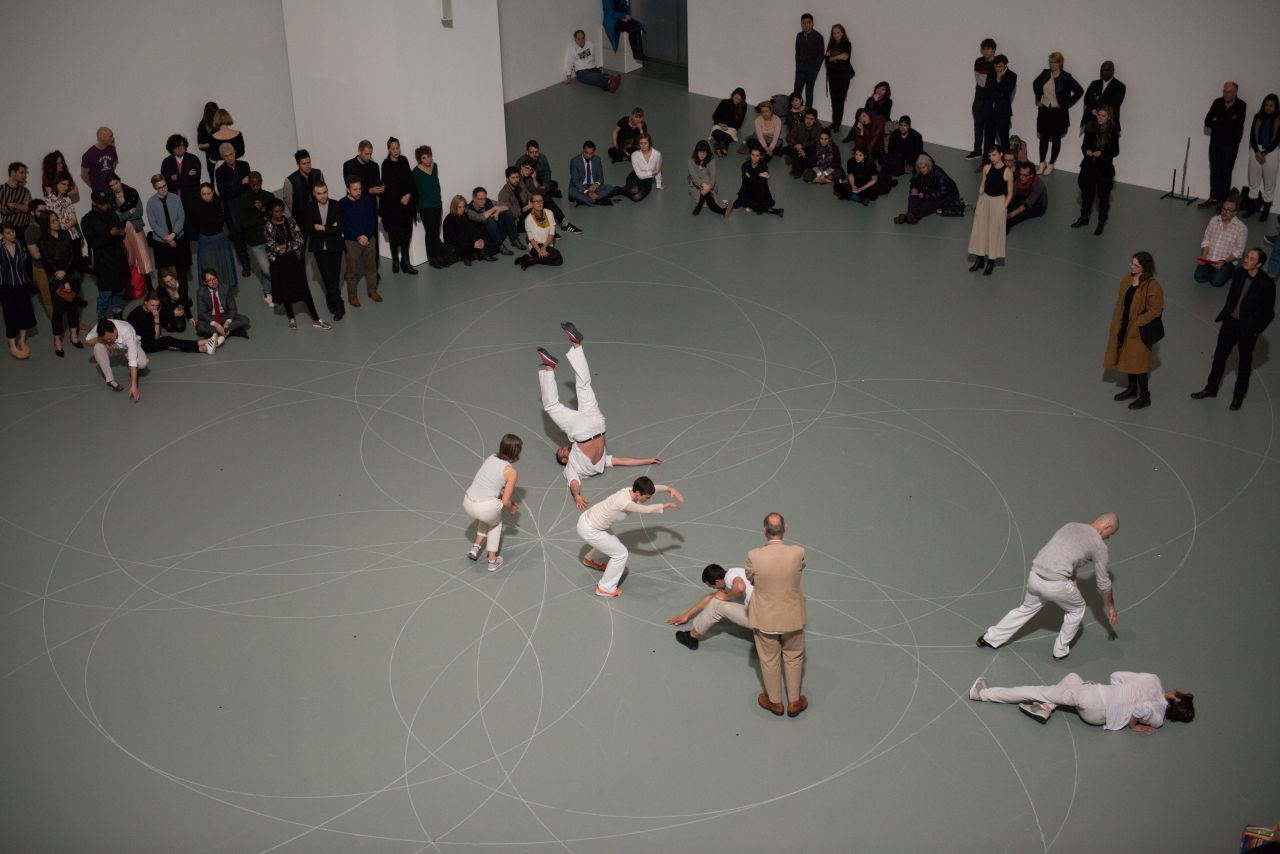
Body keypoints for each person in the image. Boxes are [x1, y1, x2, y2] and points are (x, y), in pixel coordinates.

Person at [976, 514, 1119, 661]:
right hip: (1055, 584)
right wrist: (1111, 607)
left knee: (1026, 609)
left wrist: (1072, 576)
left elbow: (1062, 553)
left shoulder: (1070, 525)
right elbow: (1103, 583)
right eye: (1111, 534)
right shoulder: (1099, 546)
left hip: (1035, 575)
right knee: (1077, 609)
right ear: (1106, 527)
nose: (1109, 537)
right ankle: (1060, 651)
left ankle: (989, 638)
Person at [1190, 247, 1276, 411]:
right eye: (1247, 257)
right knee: (1219, 357)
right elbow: (1233, 296)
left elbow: (1269, 313)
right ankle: (1211, 389)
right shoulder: (1239, 273)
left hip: (1247, 329)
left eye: (1251, 259)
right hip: (1230, 322)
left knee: (1244, 364)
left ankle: (1238, 396)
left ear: (1259, 264)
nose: (1246, 260)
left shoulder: (1266, 284)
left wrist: (1255, 330)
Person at [970, 671, 1195, 732]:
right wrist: (1134, 726)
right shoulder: (1158, 721)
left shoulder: (1154, 681)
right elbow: (1143, 711)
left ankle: (982, 694)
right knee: (1073, 679)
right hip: (1097, 719)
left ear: (1176, 697)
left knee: (1036, 690)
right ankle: (1045, 709)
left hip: (1095, 697)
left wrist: (1133, 721)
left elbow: (1116, 676)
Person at [746, 512, 807, 718]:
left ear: (765, 531)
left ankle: (775, 703)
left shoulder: (754, 555)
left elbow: (750, 576)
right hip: (792, 617)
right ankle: (794, 702)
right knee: (794, 657)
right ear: (785, 528)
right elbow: (801, 568)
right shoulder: (798, 552)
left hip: (765, 618)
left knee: (769, 659)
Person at [579, 476, 682, 597]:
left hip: (592, 521)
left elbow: (652, 489)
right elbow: (647, 510)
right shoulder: (624, 502)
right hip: (590, 529)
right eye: (647, 497)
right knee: (621, 554)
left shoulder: (631, 490)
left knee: (612, 543)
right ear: (638, 493)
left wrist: (668, 489)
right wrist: (666, 505)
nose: (648, 499)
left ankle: (591, 560)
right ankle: (604, 588)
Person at [1104, 252, 1164, 409]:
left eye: (1136, 265)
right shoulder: (1128, 279)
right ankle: (1132, 389)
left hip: (1138, 331)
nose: (1131, 266)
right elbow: (1121, 299)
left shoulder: (1152, 286)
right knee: (1127, 358)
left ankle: (1145, 396)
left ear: (1145, 267)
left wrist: (1138, 322)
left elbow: (1155, 310)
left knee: (1139, 365)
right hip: (1124, 325)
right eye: (1131, 262)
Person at [263, 199, 329, 330]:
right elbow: (272, 246)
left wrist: (285, 246)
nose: (280, 213)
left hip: (294, 261)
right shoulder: (268, 226)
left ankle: (316, 318)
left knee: (304, 289)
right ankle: (291, 318)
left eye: (281, 210)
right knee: (285, 290)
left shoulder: (291, 221)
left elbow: (300, 240)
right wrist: (285, 247)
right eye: (276, 211)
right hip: (279, 265)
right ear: (271, 212)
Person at [463, 434, 523, 571]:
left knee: (488, 516)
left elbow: (490, 485)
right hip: (485, 507)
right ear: (517, 452)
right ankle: (492, 560)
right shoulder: (511, 472)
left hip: (468, 501)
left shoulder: (491, 457)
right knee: (495, 523)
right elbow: (505, 500)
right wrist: (512, 507)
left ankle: (476, 547)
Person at [668, 563, 753, 650]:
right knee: (731, 596)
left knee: (716, 605)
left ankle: (691, 637)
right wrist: (686, 615)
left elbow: (739, 587)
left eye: (712, 586)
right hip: (765, 608)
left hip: (762, 622)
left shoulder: (729, 576)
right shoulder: (739, 572)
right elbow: (711, 597)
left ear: (717, 582)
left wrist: (726, 597)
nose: (714, 589)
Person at [38, 211, 83, 356]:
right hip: (56, 279)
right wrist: (62, 278)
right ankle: (57, 341)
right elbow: (48, 262)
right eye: (53, 221)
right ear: (46, 224)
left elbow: (72, 255)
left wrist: (66, 273)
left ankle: (74, 336)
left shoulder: (65, 234)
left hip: (71, 274)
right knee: (58, 311)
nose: (57, 222)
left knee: (73, 307)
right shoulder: (43, 240)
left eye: (57, 219)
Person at [1032, 52, 1083, 174]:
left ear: (1060, 63)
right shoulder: (1045, 73)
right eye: (1050, 62)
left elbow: (1079, 91)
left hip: (1058, 113)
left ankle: (1051, 164)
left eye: (1055, 62)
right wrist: (1038, 99)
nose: (1052, 64)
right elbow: (1035, 84)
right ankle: (1041, 163)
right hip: (1044, 111)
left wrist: (1066, 104)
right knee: (1043, 137)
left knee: (1056, 138)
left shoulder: (1066, 77)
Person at [1073, 104, 1119, 235]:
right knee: (1086, 193)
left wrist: (1102, 154)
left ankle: (1101, 222)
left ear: (1109, 117)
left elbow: (1115, 151)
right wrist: (1086, 150)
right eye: (1099, 115)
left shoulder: (1112, 132)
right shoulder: (1090, 127)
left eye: (1103, 116)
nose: (1100, 118)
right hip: (1089, 165)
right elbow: (1084, 145)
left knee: (1103, 197)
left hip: (1104, 167)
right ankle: (1084, 216)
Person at [81, 191, 128, 319]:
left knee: (119, 289)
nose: (105, 205)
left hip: (118, 257)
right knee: (105, 293)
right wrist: (110, 235)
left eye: (106, 202)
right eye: (102, 203)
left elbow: (119, 230)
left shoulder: (112, 213)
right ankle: (101, 317)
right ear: (94, 203)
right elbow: (92, 242)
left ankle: (117, 312)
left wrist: (122, 233)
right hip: (104, 261)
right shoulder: (86, 220)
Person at [126, 289, 216, 356]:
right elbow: (156, 337)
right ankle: (204, 343)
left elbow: (164, 314)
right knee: (168, 341)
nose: (155, 308)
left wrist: (173, 313)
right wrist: (156, 319)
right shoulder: (140, 316)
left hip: (145, 337)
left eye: (157, 306)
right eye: (152, 305)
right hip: (139, 345)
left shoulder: (149, 310)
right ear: (145, 303)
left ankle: (204, 347)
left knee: (170, 342)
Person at [1201, 82, 1248, 209]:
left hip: (1230, 146)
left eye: (1229, 92)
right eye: (1224, 91)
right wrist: (1227, 121)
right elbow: (1208, 122)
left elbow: (1237, 126)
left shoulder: (1241, 105)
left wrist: (1218, 120)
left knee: (1226, 172)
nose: (1226, 94)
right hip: (1215, 143)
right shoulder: (1217, 102)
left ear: (1235, 93)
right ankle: (1214, 197)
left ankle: (1223, 201)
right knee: (1215, 170)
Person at [967, 146, 1013, 275]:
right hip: (985, 200)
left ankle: (991, 262)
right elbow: (983, 184)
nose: (992, 158)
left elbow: (1010, 193)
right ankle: (979, 259)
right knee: (980, 230)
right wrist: (980, 197)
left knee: (994, 233)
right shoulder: (986, 168)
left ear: (1001, 154)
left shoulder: (1007, 172)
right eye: (990, 155)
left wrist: (1003, 207)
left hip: (998, 202)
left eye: (994, 155)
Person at [145, 174, 192, 301]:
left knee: (181, 272)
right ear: (155, 188)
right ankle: (168, 299)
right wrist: (167, 238)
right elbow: (153, 224)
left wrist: (173, 235)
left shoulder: (175, 198)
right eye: (160, 187)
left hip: (178, 238)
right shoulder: (151, 203)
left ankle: (184, 297)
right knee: (165, 273)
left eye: (164, 186)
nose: (164, 189)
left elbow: (181, 217)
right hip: (161, 243)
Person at [305, 182, 346, 320]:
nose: (323, 196)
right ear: (314, 194)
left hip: (335, 246)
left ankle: (330, 299)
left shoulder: (336, 205)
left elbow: (340, 228)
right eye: (319, 193)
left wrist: (322, 228)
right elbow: (310, 231)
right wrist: (330, 228)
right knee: (327, 276)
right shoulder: (309, 208)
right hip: (319, 248)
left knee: (334, 275)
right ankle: (339, 305)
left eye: (325, 192)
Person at [189, 183, 239, 296]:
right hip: (205, 241)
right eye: (203, 194)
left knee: (223, 266)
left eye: (209, 193)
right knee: (209, 268)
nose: (206, 196)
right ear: (200, 194)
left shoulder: (220, 203)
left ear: (213, 192)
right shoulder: (196, 207)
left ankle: (225, 291)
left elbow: (225, 219)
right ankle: (212, 294)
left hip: (221, 240)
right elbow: (193, 225)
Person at [235, 172, 275, 306]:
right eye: (253, 184)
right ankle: (276, 289)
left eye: (258, 183)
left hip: (271, 238)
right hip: (255, 241)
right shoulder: (242, 200)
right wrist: (262, 218)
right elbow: (242, 223)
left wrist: (263, 209)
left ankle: (268, 291)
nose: (256, 186)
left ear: (262, 181)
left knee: (272, 266)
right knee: (266, 268)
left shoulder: (269, 196)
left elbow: (275, 217)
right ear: (249, 183)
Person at [339, 176, 379, 306]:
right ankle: (352, 295)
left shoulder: (366, 200)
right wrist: (358, 237)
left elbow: (372, 219)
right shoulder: (342, 204)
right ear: (348, 190)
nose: (358, 192)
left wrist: (366, 236)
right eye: (355, 189)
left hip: (369, 239)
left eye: (360, 189)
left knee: (371, 267)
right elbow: (344, 225)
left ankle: (372, 290)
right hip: (352, 242)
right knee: (351, 271)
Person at [213, 142, 252, 276]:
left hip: (246, 204)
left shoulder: (244, 165)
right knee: (238, 238)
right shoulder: (220, 171)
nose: (229, 157)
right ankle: (246, 265)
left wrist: (233, 187)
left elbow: (250, 186)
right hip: (231, 208)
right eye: (226, 156)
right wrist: (240, 182)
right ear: (222, 157)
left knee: (252, 232)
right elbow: (224, 193)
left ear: (235, 153)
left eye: (231, 154)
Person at [106, 173, 152, 284]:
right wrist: (129, 212)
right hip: (123, 231)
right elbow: (114, 219)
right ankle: (134, 288)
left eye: (116, 183)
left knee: (142, 255)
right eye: (112, 185)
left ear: (120, 180)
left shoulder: (132, 192)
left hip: (136, 228)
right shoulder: (110, 199)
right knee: (128, 257)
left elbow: (139, 212)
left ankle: (150, 287)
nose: (115, 186)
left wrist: (121, 214)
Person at [84, 316, 146, 399]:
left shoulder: (127, 333)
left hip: (127, 348)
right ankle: (111, 381)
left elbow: (133, 361)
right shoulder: (100, 327)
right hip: (113, 349)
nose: (108, 340)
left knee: (141, 363)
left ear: (115, 329)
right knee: (97, 348)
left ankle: (131, 369)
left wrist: (134, 386)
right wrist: (103, 341)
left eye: (109, 338)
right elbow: (87, 342)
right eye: (106, 339)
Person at [381, 137, 417, 274]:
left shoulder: (404, 160)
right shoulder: (385, 164)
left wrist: (408, 195)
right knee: (394, 236)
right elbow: (388, 186)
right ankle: (395, 261)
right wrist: (399, 198)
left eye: (397, 148)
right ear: (389, 149)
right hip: (393, 208)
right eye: (393, 148)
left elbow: (410, 180)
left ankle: (405, 262)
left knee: (406, 235)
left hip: (406, 206)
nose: (396, 151)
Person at [0, 222, 36, 359]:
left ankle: (21, 340)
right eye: (8, 232)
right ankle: (12, 346)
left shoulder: (20, 244)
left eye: (13, 231)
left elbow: (25, 261)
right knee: (10, 314)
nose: (12, 234)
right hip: (6, 286)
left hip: (21, 283)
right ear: (2, 234)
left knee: (24, 311)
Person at [1194, 197, 1247, 287]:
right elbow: (1206, 240)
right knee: (1198, 277)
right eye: (1223, 208)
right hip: (1210, 258)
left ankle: (1229, 272)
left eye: (1229, 210)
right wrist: (1203, 256)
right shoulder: (1214, 220)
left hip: (1226, 261)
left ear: (1235, 213)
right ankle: (1217, 272)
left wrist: (1224, 262)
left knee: (1216, 282)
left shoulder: (1242, 228)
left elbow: (1239, 251)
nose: (1224, 212)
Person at [894, 154, 960, 224]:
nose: (922, 170)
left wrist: (926, 195)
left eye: (923, 167)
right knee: (912, 197)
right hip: (924, 192)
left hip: (942, 197)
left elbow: (943, 192)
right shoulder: (918, 171)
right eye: (920, 168)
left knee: (925, 206)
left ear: (929, 165)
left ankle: (907, 216)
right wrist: (914, 188)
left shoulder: (939, 173)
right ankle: (911, 217)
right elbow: (913, 182)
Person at [1243, 94, 1279, 221]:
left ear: (1276, 106)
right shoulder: (1257, 117)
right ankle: (1252, 208)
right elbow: (1253, 135)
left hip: (1272, 152)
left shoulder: (1278, 119)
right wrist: (1257, 152)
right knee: (1253, 181)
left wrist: (1265, 153)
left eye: (1271, 105)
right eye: (1266, 105)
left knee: (1269, 183)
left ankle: (1266, 211)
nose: (1268, 108)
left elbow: (1276, 140)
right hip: (1255, 150)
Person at [161, 134, 202, 234]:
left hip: (191, 199)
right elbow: (168, 184)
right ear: (171, 149)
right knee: (178, 227)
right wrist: (186, 177)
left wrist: (177, 180)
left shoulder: (193, 159)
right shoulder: (167, 162)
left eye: (182, 145)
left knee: (192, 226)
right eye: (177, 146)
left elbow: (195, 180)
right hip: (174, 199)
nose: (180, 148)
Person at [411, 145, 445, 268]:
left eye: (429, 156)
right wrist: (416, 210)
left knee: (436, 232)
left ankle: (438, 256)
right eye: (424, 158)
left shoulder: (435, 167)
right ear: (420, 159)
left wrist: (440, 203)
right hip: (425, 207)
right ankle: (432, 258)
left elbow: (436, 186)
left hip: (437, 204)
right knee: (430, 233)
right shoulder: (416, 172)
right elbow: (414, 192)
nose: (428, 160)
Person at [195, 268, 249, 343]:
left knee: (245, 320)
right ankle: (228, 332)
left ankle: (217, 333)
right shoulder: (201, 292)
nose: (213, 282)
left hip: (224, 315)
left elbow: (232, 308)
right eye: (209, 280)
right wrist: (216, 325)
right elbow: (201, 313)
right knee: (199, 326)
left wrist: (228, 322)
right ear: (205, 282)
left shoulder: (225, 288)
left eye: (214, 278)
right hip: (211, 317)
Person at [966, 38, 998, 159]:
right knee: (978, 125)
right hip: (979, 98)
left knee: (990, 127)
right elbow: (979, 80)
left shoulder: (997, 63)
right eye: (983, 49)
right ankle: (977, 150)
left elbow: (997, 82)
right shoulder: (978, 61)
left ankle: (989, 153)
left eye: (988, 49)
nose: (985, 51)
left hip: (991, 99)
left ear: (994, 49)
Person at [466, 187, 520, 257]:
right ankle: (500, 246)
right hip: (482, 237)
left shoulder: (488, 201)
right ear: (474, 199)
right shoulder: (469, 210)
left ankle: (514, 239)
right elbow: (481, 218)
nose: (483, 201)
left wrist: (499, 210)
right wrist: (494, 208)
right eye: (480, 199)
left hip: (494, 231)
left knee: (507, 212)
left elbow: (507, 205)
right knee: (489, 219)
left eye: (484, 198)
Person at [736, 144, 784, 217]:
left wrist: (751, 177)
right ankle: (772, 210)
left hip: (760, 190)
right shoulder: (745, 165)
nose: (754, 158)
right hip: (747, 189)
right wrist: (759, 175)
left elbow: (763, 180)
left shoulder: (763, 165)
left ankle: (759, 207)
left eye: (757, 155)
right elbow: (746, 181)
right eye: (753, 155)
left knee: (761, 185)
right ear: (750, 155)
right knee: (741, 201)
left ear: (760, 156)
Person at [24, 199, 53, 320]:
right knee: (48, 299)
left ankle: (74, 323)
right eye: (40, 211)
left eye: (45, 210)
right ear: (32, 213)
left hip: (55, 266)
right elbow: (36, 255)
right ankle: (58, 326)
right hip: (41, 269)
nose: (43, 213)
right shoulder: (29, 231)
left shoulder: (50, 225)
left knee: (66, 295)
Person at [518, 193, 562, 271]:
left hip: (547, 244)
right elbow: (531, 239)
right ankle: (530, 259)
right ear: (532, 204)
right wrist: (539, 250)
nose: (539, 203)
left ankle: (529, 260)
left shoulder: (549, 213)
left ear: (543, 202)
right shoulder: (528, 219)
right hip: (536, 246)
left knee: (558, 260)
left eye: (540, 201)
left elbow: (552, 233)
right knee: (557, 258)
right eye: (536, 201)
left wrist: (544, 247)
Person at [688, 140, 732, 217]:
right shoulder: (690, 161)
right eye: (700, 152)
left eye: (704, 152)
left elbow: (713, 175)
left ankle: (699, 206)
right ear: (696, 152)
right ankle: (722, 211)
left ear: (707, 153)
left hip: (709, 183)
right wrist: (702, 185)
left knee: (706, 193)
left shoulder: (711, 160)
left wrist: (709, 186)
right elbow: (693, 176)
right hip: (696, 185)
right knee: (707, 199)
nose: (702, 155)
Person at [984, 56, 1017, 155]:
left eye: (1000, 66)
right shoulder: (991, 73)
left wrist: (998, 81)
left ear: (1005, 64)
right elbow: (987, 92)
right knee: (988, 139)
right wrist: (998, 91)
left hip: (1003, 113)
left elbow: (1006, 94)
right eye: (995, 66)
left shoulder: (1012, 76)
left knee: (1004, 140)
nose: (997, 69)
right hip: (990, 111)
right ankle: (985, 162)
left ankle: (1006, 164)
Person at [823, 24, 854, 131]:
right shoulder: (831, 43)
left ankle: (837, 124)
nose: (836, 35)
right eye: (834, 33)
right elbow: (826, 60)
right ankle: (834, 122)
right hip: (832, 75)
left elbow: (845, 58)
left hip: (843, 75)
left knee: (839, 100)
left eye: (838, 32)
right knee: (833, 99)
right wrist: (837, 57)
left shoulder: (847, 44)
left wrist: (831, 56)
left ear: (842, 33)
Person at [568, 141, 617, 207]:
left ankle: (585, 200)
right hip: (580, 187)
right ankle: (596, 201)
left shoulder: (597, 160)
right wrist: (588, 192)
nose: (588, 155)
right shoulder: (575, 161)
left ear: (594, 152)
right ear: (583, 150)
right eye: (586, 153)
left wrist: (595, 185)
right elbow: (575, 181)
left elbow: (600, 177)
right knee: (571, 191)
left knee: (610, 188)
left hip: (593, 187)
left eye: (591, 153)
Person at [442, 194, 488, 266]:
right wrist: (473, 244)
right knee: (468, 225)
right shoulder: (450, 219)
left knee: (487, 242)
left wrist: (479, 239)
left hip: (464, 244)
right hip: (455, 247)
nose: (462, 209)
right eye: (459, 207)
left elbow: (471, 232)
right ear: (454, 207)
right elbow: (455, 241)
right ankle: (472, 255)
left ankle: (471, 255)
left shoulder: (464, 215)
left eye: (463, 207)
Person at [1081, 60, 1126, 132]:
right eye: (1102, 70)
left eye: (1106, 70)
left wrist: (1096, 99)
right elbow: (1086, 100)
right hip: (1091, 121)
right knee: (1089, 143)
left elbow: (1114, 104)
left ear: (1113, 71)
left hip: (1109, 124)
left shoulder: (1120, 86)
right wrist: (1102, 100)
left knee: (1108, 143)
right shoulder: (1094, 84)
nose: (1103, 72)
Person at [1006, 161, 1048, 231]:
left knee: (1021, 214)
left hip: (1038, 205)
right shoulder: (1018, 180)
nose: (1022, 177)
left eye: (1025, 175)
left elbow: (1029, 203)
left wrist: (1012, 214)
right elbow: (1011, 195)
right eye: (1020, 174)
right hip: (1024, 197)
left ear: (1031, 175)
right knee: (1009, 207)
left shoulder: (1039, 184)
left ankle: (1005, 227)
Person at [282, 149, 323, 221]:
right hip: (301, 217)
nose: (307, 166)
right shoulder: (290, 180)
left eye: (309, 162)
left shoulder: (318, 173)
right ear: (298, 164)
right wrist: (298, 213)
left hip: (319, 213)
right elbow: (288, 200)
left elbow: (323, 191)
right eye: (304, 164)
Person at [793, 13, 823, 108]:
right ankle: (795, 113)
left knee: (809, 92)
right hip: (800, 69)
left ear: (812, 23)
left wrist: (815, 69)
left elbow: (820, 56)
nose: (806, 25)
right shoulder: (799, 36)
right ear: (801, 24)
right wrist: (798, 66)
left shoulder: (818, 36)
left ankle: (808, 114)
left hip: (812, 70)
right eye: (803, 23)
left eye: (808, 22)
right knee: (796, 91)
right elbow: (797, 52)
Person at [622, 134, 662, 201]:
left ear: (649, 143)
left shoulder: (657, 154)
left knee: (636, 198)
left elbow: (658, 170)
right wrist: (653, 173)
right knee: (633, 191)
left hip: (647, 180)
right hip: (635, 176)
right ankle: (618, 190)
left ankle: (627, 190)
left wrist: (659, 185)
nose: (643, 146)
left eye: (645, 143)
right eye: (641, 143)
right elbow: (640, 175)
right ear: (638, 144)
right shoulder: (634, 155)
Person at [710, 88, 748, 157]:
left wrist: (728, 127)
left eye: (739, 99)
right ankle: (723, 147)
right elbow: (714, 116)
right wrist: (720, 124)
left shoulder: (743, 106)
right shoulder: (724, 102)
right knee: (717, 133)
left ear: (742, 100)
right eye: (735, 97)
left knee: (727, 137)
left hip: (732, 127)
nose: (736, 100)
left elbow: (739, 124)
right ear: (732, 95)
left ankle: (718, 146)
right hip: (719, 124)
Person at [80, 127, 118, 195]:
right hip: (100, 192)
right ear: (103, 138)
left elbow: (114, 164)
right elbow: (83, 175)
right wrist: (94, 186)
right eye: (110, 136)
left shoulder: (112, 149)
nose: (113, 138)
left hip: (112, 189)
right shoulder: (89, 154)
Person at [786, 108, 823, 178]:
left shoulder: (819, 128)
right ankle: (798, 169)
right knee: (793, 150)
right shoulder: (800, 126)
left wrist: (802, 146)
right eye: (807, 118)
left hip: (811, 148)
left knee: (810, 156)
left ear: (815, 120)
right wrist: (796, 145)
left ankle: (798, 170)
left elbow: (816, 141)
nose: (808, 121)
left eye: (811, 119)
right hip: (799, 147)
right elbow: (789, 137)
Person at [155, 267, 193, 333]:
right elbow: (164, 309)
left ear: (174, 276)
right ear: (163, 283)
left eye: (172, 279)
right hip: (168, 307)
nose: (172, 283)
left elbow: (184, 298)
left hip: (178, 302)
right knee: (180, 327)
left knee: (188, 301)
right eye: (167, 282)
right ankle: (166, 322)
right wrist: (173, 313)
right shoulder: (161, 290)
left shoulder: (182, 282)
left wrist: (189, 316)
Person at [1, 162, 32, 230]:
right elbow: (3, 210)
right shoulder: (2, 190)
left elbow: (27, 208)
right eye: (21, 172)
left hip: (25, 227)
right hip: (8, 229)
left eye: (25, 173)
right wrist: (21, 207)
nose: (24, 175)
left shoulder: (25, 191)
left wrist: (14, 205)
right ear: (13, 173)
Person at [196, 101, 220, 177]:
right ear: (209, 114)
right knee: (213, 180)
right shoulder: (202, 125)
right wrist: (213, 143)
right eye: (214, 114)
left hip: (223, 155)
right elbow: (200, 145)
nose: (215, 115)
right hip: (211, 157)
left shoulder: (219, 122)